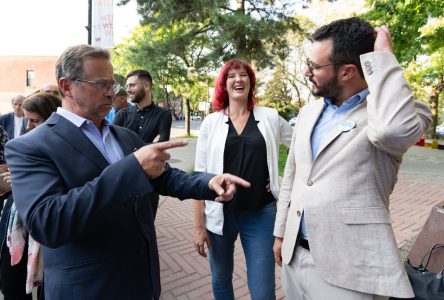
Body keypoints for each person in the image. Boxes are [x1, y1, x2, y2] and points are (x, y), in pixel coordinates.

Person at [4, 44, 249, 300]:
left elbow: (164, 176)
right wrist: (131, 169)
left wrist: (209, 183)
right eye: (101, 84)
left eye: (113, 84)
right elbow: (48, 223)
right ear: (67, 86)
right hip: (89, 289)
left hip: (143, 283)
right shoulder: (29, 147)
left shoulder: (124, 136)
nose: (111, 93)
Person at [272, 17, 432, 300]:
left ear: (347, 72)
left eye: (314, 66)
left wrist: (383, 58)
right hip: (295, 257)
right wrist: (281, 232)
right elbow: (294, 176)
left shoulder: (397, 113)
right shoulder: (308, 112)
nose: (307, 72)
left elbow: (393, 131)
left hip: (349, 271)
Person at [193, 59, 293, 300]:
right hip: (219, 215)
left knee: (263, 288)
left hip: (261, 213)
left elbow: (301, 146)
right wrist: (199, 227)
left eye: (243, 75)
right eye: (231, 76)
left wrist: (285, 181)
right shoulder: (211, 123)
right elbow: (199, 176)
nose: (238, 79)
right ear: (223, 85)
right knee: (221, 278)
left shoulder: (270, 117)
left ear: (250, 82)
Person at [0, 92, 62, 300]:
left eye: (34, 120)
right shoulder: (25, 145)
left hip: (44, 232)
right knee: (10, 285)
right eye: (26, 120)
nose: (28, 126)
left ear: (51, 119)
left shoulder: (65, 149)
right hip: (16, 225)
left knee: (46, 288)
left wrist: (22, 182)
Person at [113, 69, 173, 219]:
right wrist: (150, 146)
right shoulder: (122, 114)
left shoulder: (163, 115)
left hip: (150, 183)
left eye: (132, 85)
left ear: (146, 86)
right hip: (123, 180)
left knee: (147, 228)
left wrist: (130, 148)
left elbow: (161, 147)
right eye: (127, 86)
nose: (128, 89)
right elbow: (113, 145)